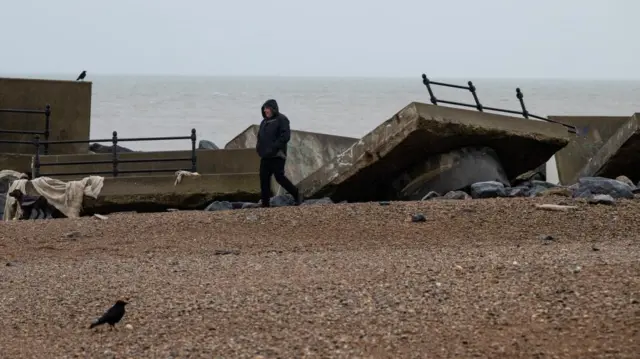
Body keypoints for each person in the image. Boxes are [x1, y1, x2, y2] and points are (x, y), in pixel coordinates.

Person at [256, 99, 302, 207]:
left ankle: (296, 193)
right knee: (264, 179)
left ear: (273, 109)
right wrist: (259, 148)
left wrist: (274, 147)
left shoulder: (282, 119)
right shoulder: (264, 122)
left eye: (268, 108)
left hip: (278, 155)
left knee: (279, 177)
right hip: (265, 156)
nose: (266, 111)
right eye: (265, 108)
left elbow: (285, 137)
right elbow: (260, 137)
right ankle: (265, 204)